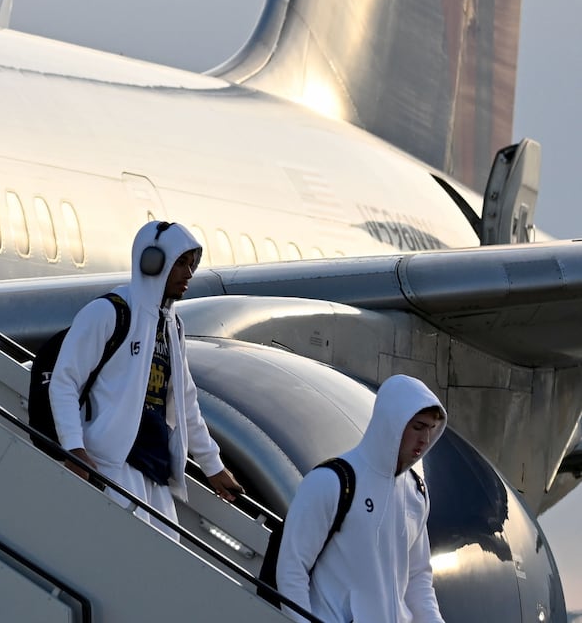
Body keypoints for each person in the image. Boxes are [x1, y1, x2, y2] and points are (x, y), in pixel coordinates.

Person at [48, 219, 242, 530]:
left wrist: (213, 466)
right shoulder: (109, 312)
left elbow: (186, 404)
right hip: (112, 465)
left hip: (156, 469)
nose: (189, 273)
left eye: (191, 264)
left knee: (166, 563)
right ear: (153, 263)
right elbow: (64, 381)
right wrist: (73, 447)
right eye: (180, 263)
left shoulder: (172, 326)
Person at [275, 374, 447, 623]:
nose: (425, 439)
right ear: (392, 422)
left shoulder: (416, 492)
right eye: (417, 427)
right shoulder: (331, 481)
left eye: (431, 429)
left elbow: (417, 576)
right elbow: (291, 569)